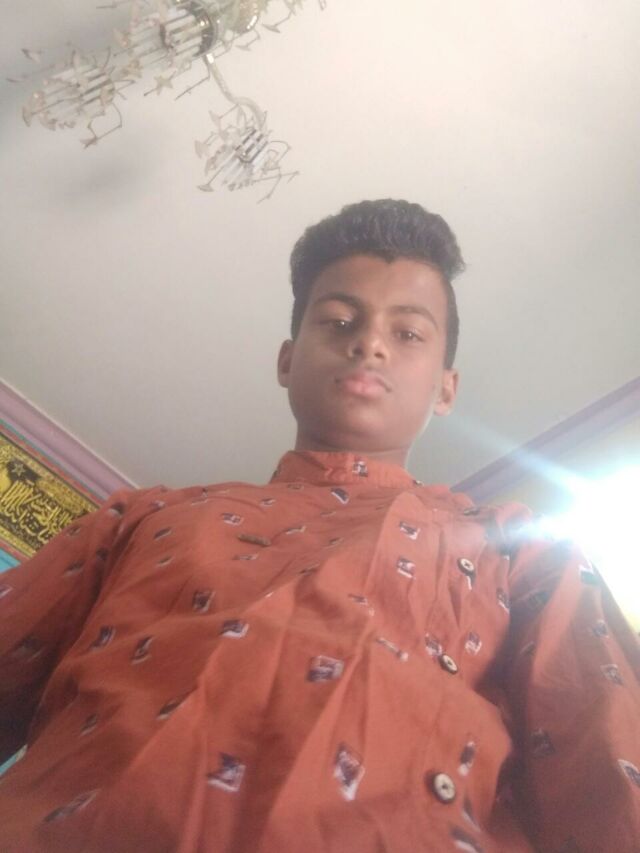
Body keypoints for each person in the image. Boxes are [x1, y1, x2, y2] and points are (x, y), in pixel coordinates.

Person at [0, 199, 638, 853]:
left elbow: (608, 764)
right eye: (338, 320)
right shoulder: (141, 517)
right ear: (286, 360)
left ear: (446, 389)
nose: (369, 343)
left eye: (408, 333)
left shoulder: (519, 547)